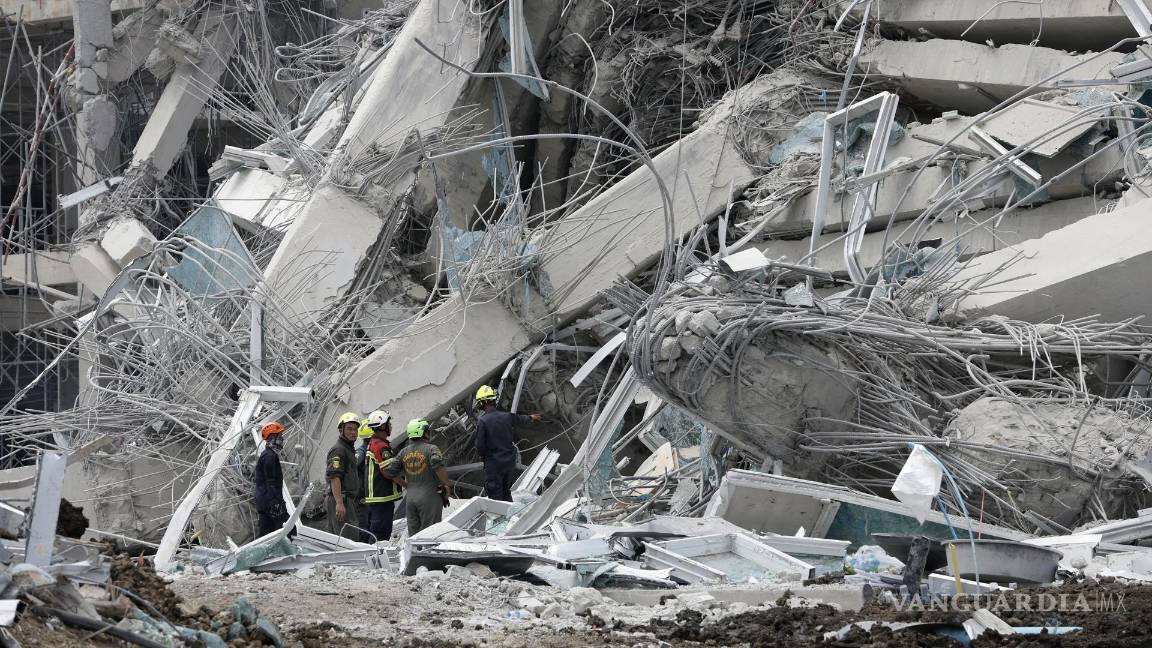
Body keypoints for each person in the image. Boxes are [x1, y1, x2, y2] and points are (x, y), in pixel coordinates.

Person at [472, 385, 542, 502]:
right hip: (509, 462)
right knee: (506, 491)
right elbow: (520, 419)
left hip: (494, 464)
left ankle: (499, 518)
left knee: (495, 496)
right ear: (494, 400)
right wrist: (531, 417)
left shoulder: (483, 421)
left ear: (481, 403)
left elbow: (480, 446)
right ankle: (509, 515)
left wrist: (484, 458)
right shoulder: (507, 416)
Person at [385, 419, 452, 536]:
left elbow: (389, 472)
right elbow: (437, 464)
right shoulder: (432, 449)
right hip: (429, 497)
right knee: (430, 534)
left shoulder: (403, 452)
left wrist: (406, 485)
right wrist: (446, 485)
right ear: (424, 433)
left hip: (410, 498)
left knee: (414, 535)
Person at [360, 409, 402, 543]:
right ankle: (375, 561)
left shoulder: (373, 444)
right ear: (383, 426)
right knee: (380, 536)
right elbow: (389, 472)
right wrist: (407, 485)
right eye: (388, 423)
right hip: (382, 499)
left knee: (375, 533)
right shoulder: (380, 446)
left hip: (376, 499)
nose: (391, 426)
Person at [326, 411, 363, 540]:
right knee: (346, 539)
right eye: (349, 429)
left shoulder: (348, 448)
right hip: (342, 500)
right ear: (341, 430)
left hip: (347, 500)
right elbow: (334, 477)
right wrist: (339, 503)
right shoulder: (339, 450)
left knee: (344, 537)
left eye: (355, 429)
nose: (353, 432)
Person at [254, 422, 290, 537]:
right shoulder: (270, 456)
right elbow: (271, 483)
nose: (282, 439)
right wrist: (278, 504)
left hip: (264, 502)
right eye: (279, 436)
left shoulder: (267, 454)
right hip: (272, 503)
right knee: (288, 530)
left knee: (266, 534)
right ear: (272, 438)